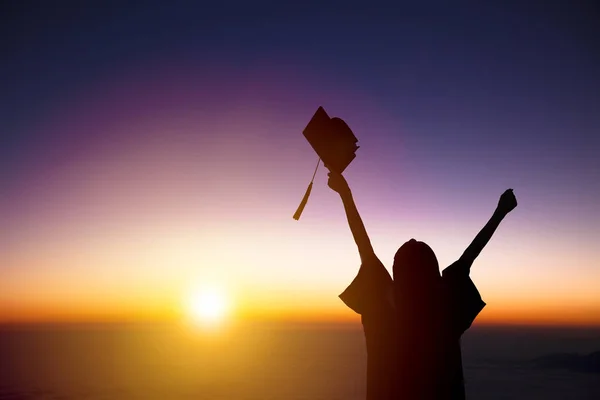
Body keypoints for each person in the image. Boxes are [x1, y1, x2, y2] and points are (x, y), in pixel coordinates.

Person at [327, 169, 517, 400]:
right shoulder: (446, 306)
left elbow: (362, 243)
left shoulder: (378, 305)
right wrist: (500, 213)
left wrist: (345, 194)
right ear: (433, 271)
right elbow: (470, 254)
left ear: (398, 272)